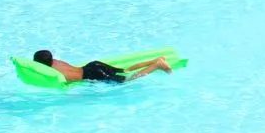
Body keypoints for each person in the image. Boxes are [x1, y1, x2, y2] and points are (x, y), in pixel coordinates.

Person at [32, 50, 171, 84]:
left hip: (92, 75)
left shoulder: (51, 71)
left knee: (127, 80)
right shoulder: (56, 61)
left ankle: (158, 65)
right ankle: (156, 60)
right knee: (125, 70)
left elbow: (61, 82)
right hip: (93, 65)